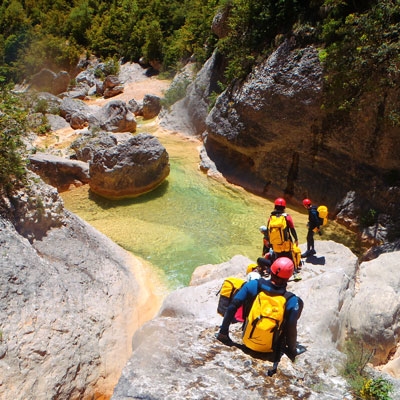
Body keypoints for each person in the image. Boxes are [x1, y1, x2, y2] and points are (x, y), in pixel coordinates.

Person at [215, 257, 304, 362]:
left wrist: (223, 333)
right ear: (288, 277)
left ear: (271, 270)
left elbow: (232, 306)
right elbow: (291, 326)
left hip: (247, 340)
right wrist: (292, 350)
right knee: (299, 303)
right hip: (270, 348)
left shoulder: (253, 285)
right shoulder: (291, 300)